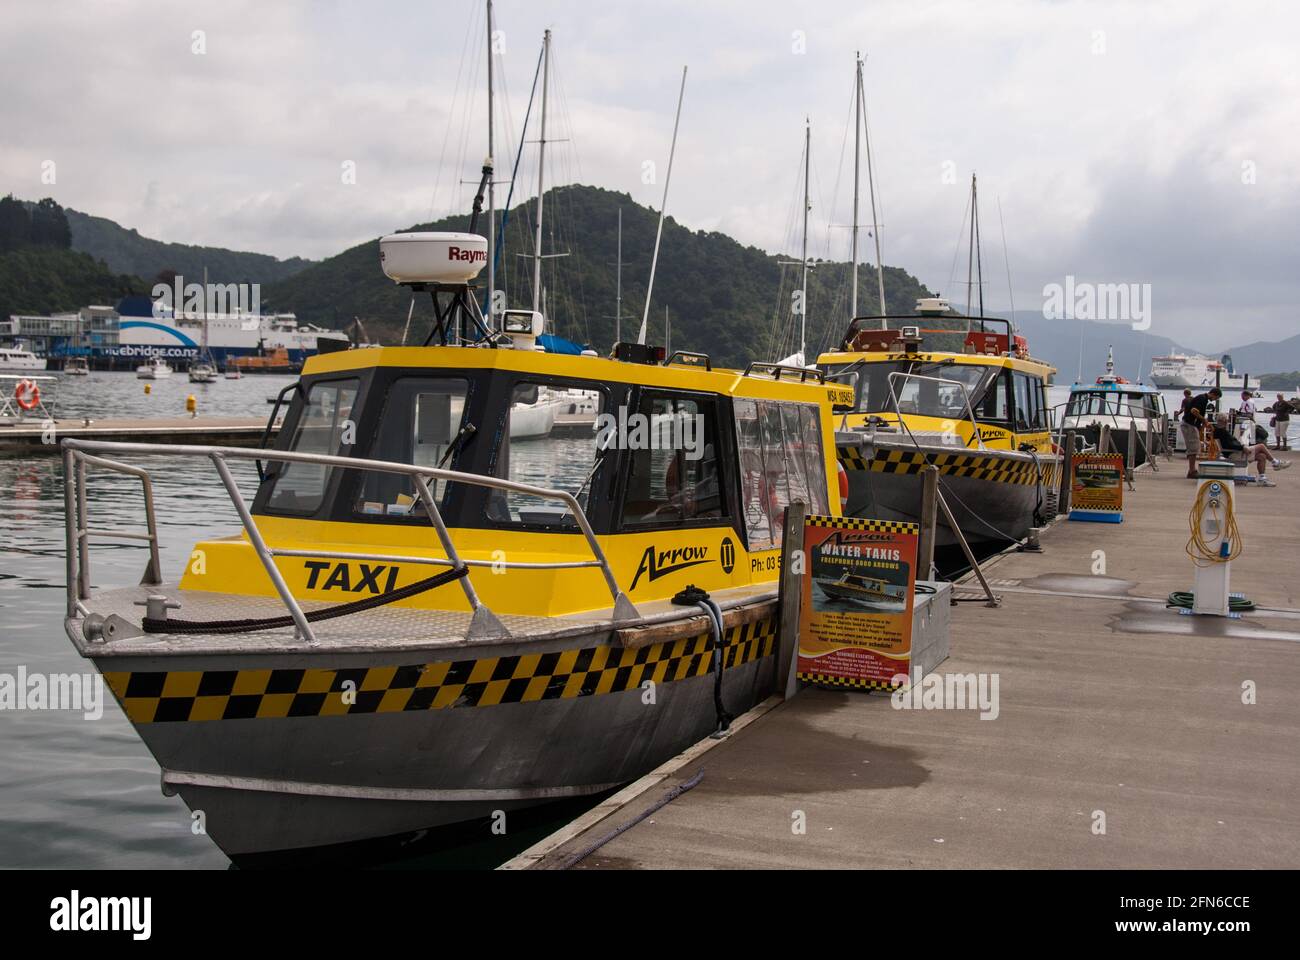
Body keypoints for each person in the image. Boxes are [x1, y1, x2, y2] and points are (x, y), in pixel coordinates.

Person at [1213, 413, 1290, 486]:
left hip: (1236, 452)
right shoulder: (1222, 432)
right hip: (1236, 454)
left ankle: (1262, 479)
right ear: (1225, 421)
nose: (1228, 422)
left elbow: (1230, 444)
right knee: (1261, 446)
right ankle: (1275, 463)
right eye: (1227, 420)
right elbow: (1230, 445)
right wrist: (1243, 447)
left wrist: (1241, 446)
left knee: (1262, 456)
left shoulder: (1218, 431)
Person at [1181, 387, 1221, 478]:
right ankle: (1192, 471)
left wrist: (1204, 423)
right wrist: (1204, 421)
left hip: (1191, 425)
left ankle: (1192, 470)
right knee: (1193, 448)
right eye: (1216, 398)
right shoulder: (1202, 399)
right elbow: (1194, 411)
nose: (1214, 400)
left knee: (1194, 447)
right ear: (1214, 394)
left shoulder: (1203, 399)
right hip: (1189, 424)